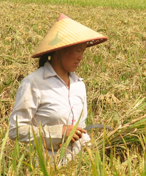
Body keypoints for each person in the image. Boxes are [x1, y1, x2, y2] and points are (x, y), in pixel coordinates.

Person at [9, 14, 108, 165]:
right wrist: (58, 132)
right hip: (44, 167)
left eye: (83, 51)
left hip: (77, 166)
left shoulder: (79, 85)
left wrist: (97, 150)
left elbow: (80, 129)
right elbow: (15, 130)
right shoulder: (34, 83)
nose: (81, 57)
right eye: (77, 50)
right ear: (58, 50)